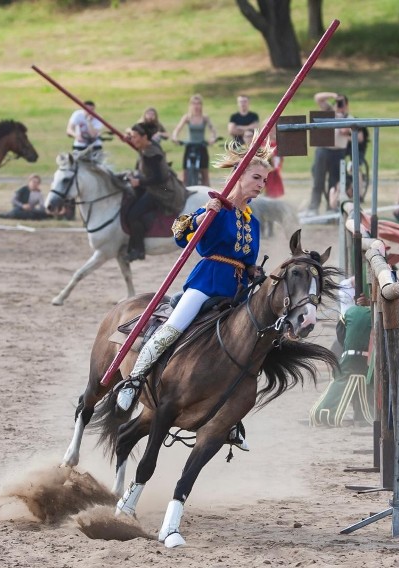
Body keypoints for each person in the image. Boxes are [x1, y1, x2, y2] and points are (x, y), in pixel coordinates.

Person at [116, 137, 274, 450]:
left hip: (238, 289)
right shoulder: (217, 209)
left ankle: (231, 417)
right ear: (239, 177)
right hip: (207, 282)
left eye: (265, 180)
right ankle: (134, 381)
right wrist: (203, 216)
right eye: (257, 177)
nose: (261, 184)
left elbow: (246, 257)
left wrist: (253, 269)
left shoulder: (252, 222)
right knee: (172, 328)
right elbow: (184, 236)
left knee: (247, 348)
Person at [124, 122, 187, 262]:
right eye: (131, 137)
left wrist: (139, 182)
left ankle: (138, 250)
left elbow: (159, 177)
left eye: (135, 137)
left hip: (162, 191)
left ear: (144, 137)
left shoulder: (151, 154)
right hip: (156, 187)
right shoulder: (147, 147)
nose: (132, 140)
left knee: (132, 215)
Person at [309, 294, 373, 428]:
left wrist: (348, 347)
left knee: (339, 379)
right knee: (369, 383)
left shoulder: (349, 312)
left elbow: (341, 335)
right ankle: (366, 414)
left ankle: (324, 413)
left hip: (349, 356)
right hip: (366, 359)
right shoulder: (376, 314)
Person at [307, 92, 360, 216]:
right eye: (338, 103)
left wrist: (341, 118)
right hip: (323, 149)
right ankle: (313, 207)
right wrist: (333, 96)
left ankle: (331, 208)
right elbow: (317, 98)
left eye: (342, 103)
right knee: (318, 180)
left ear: (347, 105)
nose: (339, 105)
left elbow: (345, 130)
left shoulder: (349, 117)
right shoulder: (329, 112)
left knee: (334, 182)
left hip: (338, 152)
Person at [171, 94, 219, 186]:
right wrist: (175, 137)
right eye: (194, 104)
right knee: (185, 175)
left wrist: (213, 138)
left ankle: (208, 197)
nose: (196, 106)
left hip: (202, 146)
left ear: (201, 105)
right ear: (191, 105)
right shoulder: (187, 117)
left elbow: (213, 130)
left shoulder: (205, 118)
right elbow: (177, 129)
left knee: (205, 175)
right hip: (190, 146)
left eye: (198, 104)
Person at [264, 125, 284, 198]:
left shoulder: (278, 144)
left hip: (273, 169)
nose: (271, 131)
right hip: (266, 168)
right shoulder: (263, 143)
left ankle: (274, 196)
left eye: (273, 129)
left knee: (274, 173)